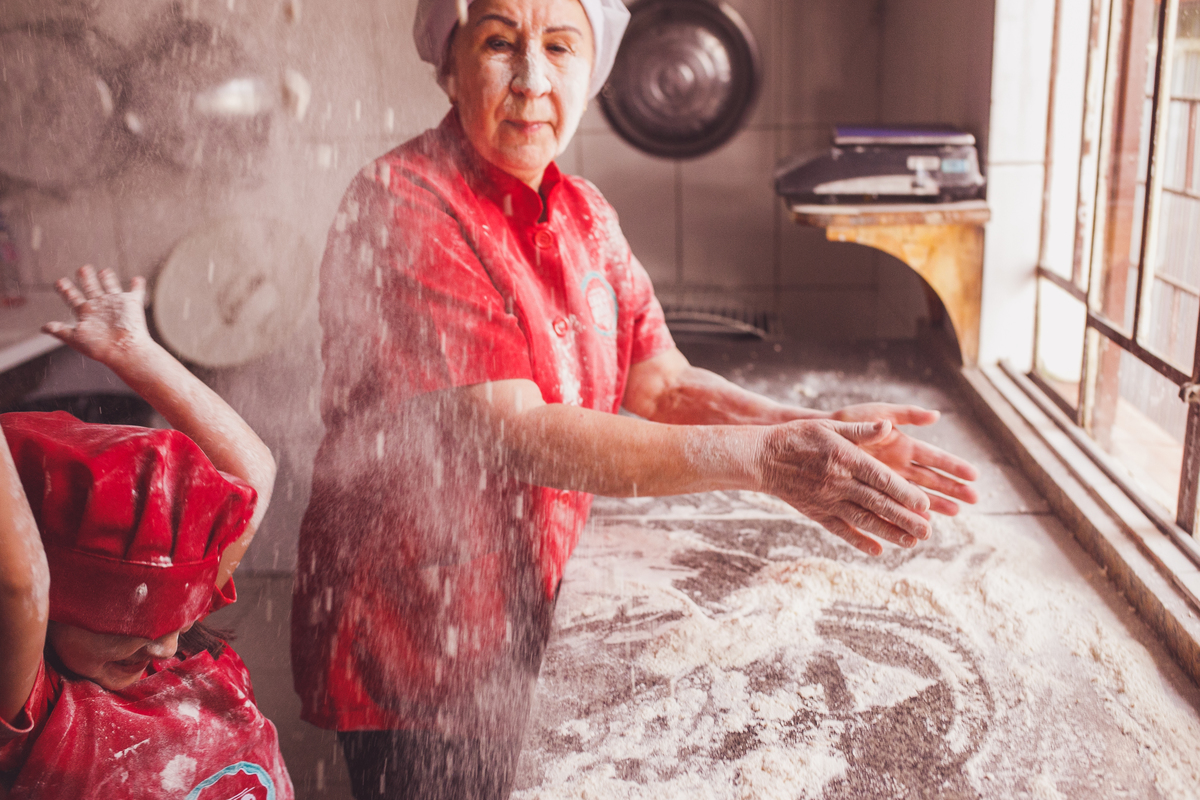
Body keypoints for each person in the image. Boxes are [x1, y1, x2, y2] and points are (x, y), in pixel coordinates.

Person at [292, 0, 980, 798]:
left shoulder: (584, 213)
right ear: (449, 66)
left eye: (560, 47)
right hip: (416, 634)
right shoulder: (404, 203)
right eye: (500, 43)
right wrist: (766, 461)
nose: (532, 79)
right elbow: (515, 432)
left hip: (530, 602)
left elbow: (662, 382)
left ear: (594, 72)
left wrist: (815, 428)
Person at [0, 266, 291, 800]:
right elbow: (20, 584)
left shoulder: (166, 630)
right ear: (50, 612)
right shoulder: (36, 705)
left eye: (178, 618)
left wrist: (135, 352)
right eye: (128, 627)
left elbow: (254, 473)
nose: (164, 646)